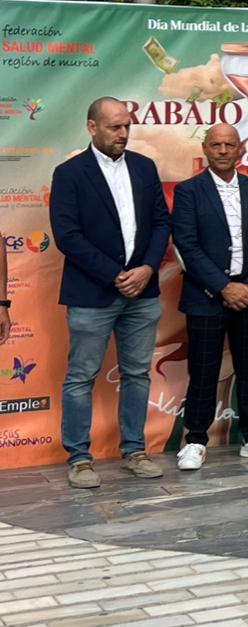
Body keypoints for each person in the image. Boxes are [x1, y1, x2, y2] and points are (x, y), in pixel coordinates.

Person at [49, 97, 171, 489]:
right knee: (81, 376)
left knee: (137, 373)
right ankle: (80, 459)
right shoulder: (69, 173)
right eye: (115, 127)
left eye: (126, 126)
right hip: (92, 293)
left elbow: (160, 223)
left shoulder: (144, 167)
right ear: (92, 127)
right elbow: (67, 235)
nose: (123, 133)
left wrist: (148, 268)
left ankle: (135, 450)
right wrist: (117, 275)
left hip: (144, 290)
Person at [171, 123, 248, 469]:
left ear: (239, 150)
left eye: (229, 144)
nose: (222, 150)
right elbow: (186, 245)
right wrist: (223, 287)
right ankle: (196, 441)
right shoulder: (189, 191)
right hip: (207, 296)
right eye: (216, 144)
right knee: (203, 371)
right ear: (205, 149)